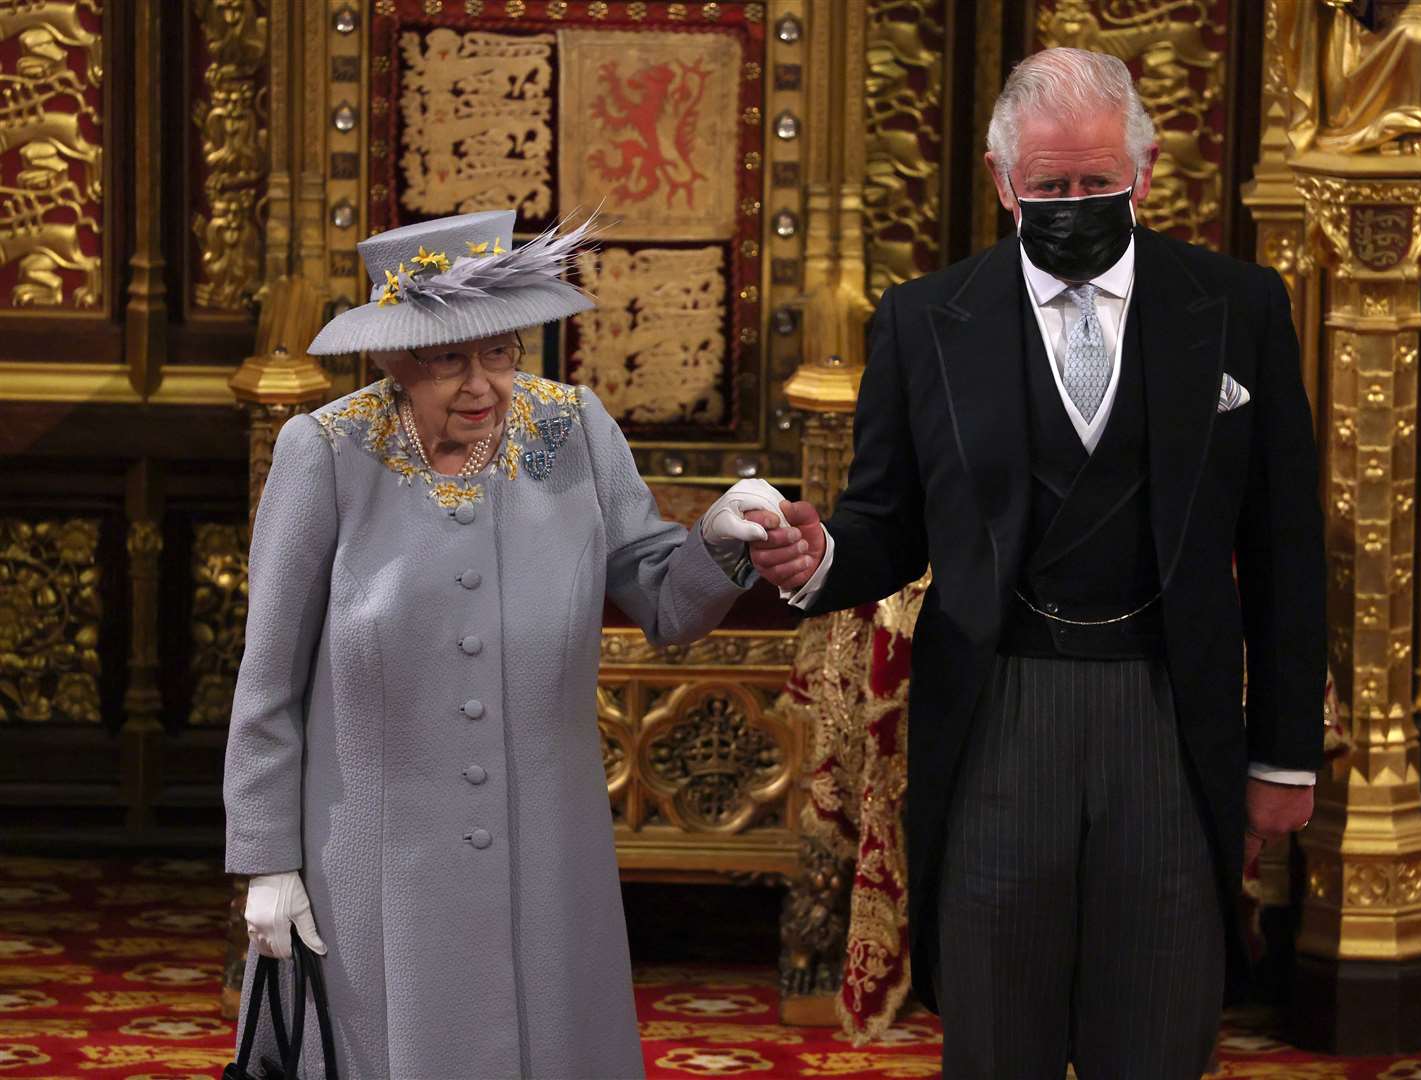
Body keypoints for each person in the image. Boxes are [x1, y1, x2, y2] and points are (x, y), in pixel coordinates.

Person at [746, 48, 1325, 1078]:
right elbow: (886, 528)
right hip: (999, 717)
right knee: (998, 1032)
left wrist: (1284, 760)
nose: (1073, 204)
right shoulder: (925, 321)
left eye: (1097, 184)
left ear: (1144, 174)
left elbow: (1284, 552)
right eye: (1049, 186)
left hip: (1169, 710)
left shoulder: (1241, 308)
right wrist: (817, 554)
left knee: (1156, 1029)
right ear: (1002, 179)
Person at [222, 209, 775, 1079]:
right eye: (448, 360)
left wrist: (717, 541)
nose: (482, 385)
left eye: (502, 352)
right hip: (371, 873)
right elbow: (268, 682)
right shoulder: (323, 451)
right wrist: (266, 863)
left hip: (547, 862)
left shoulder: (572, 427)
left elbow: (663, 599)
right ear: (395, 359)